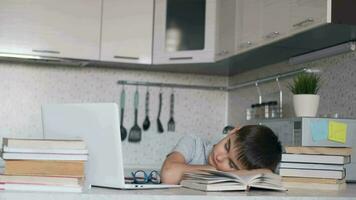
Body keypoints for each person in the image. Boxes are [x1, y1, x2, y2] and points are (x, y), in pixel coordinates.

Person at [160, 125, 282, 184]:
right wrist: (228, 172)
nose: (219, 157)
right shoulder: (193, 143)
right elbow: (168, 174)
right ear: (233, 132)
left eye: (231, 164)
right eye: (226, 146)